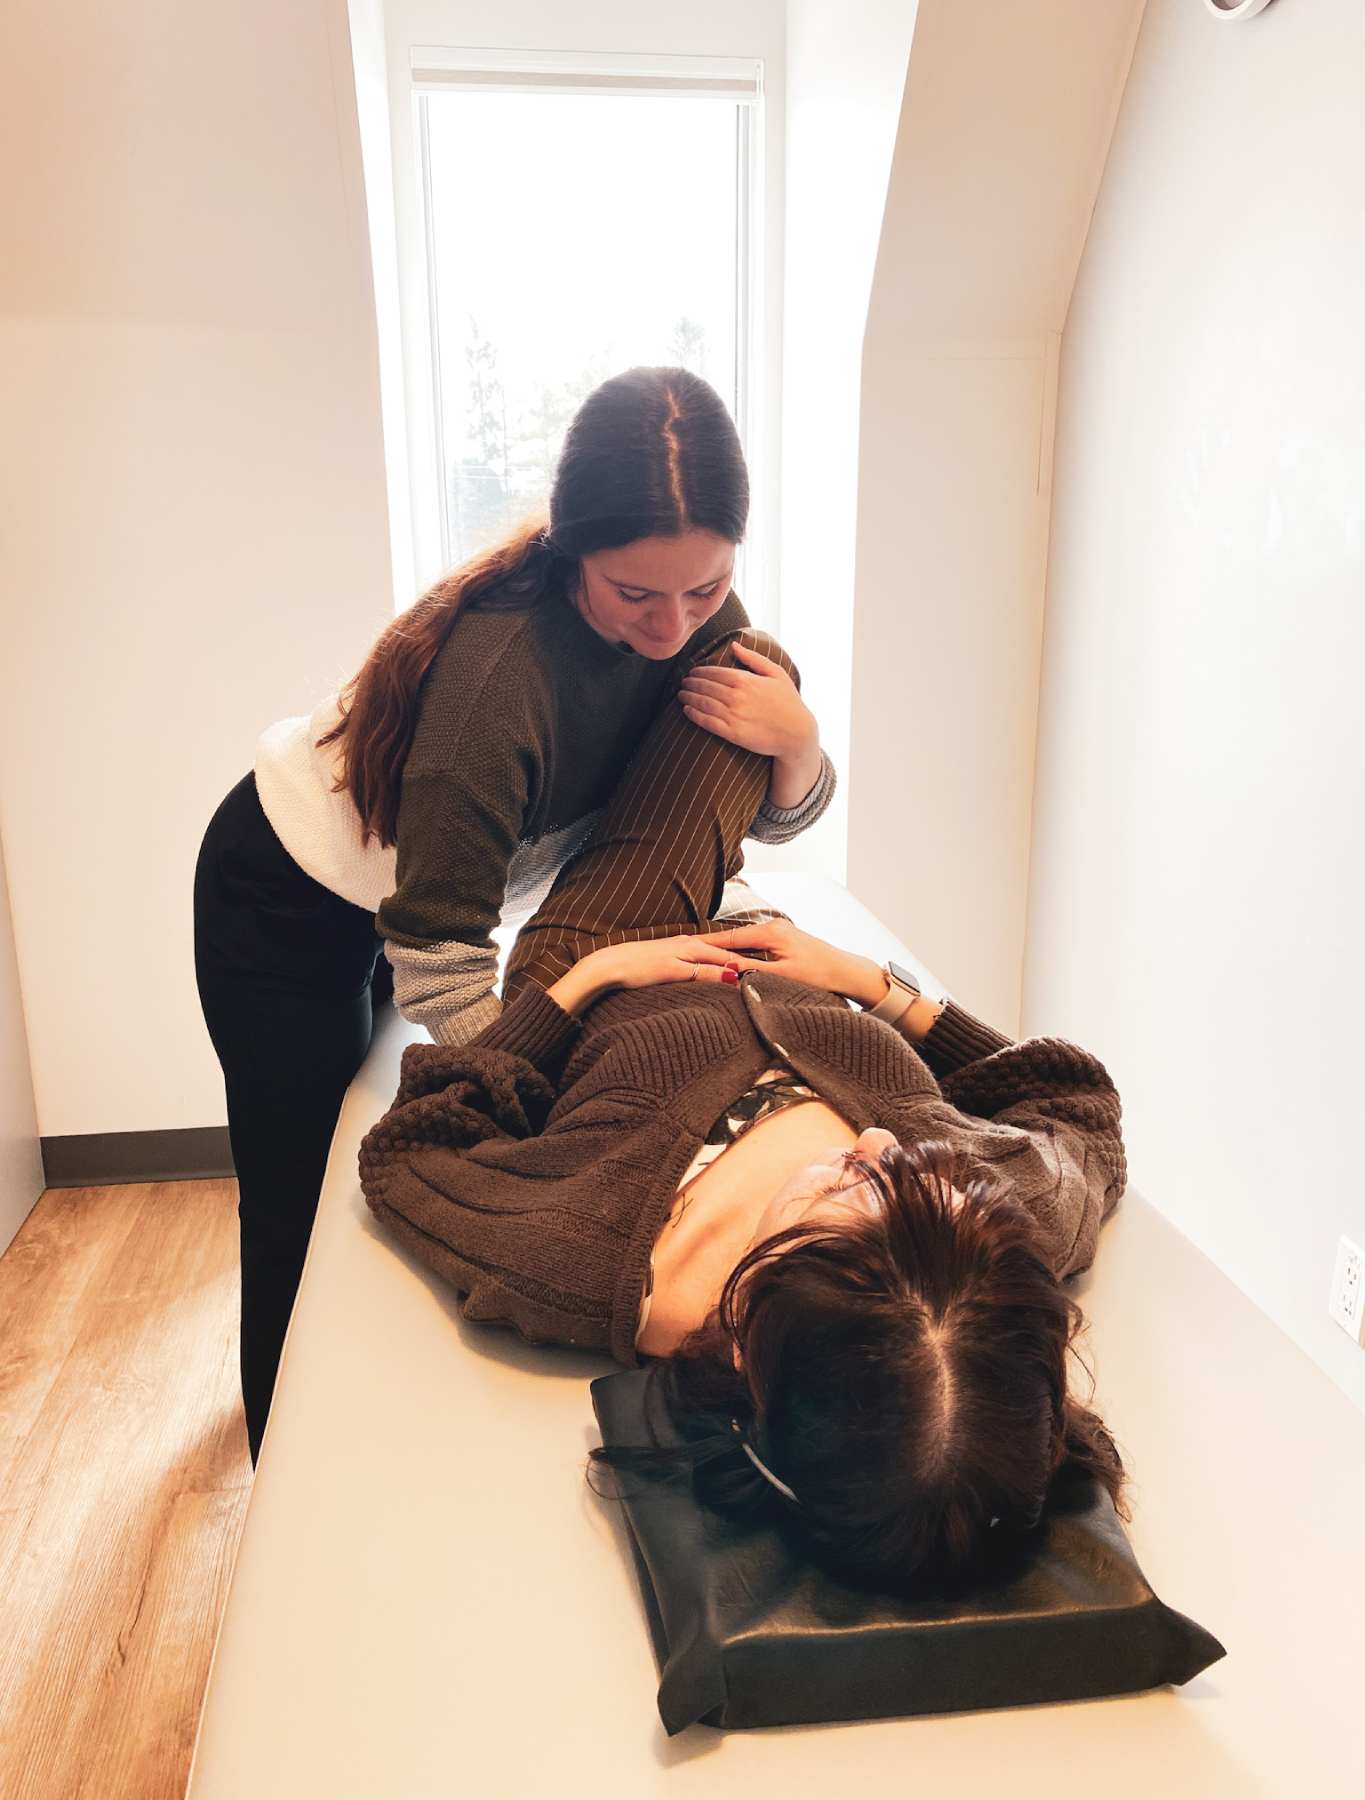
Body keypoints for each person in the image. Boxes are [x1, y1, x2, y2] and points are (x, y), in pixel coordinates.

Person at [358, 649, 1130, 1593]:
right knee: (737, 691)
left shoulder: (583, 1261)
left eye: (859, 1190)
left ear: (764, 1334)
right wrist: (869, 985)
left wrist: (578, 988)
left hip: (611, 939)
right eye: (916, 1182)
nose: (884, 1146)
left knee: (743, 662)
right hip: (785, 948)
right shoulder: (990, 1237)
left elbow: (415, 1142)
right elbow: (1071, 1094)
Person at [193, 365, 835, 1465]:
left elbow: (764, 817)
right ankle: (276, 1468)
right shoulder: (498, 689)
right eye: (638, 596)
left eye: (707, 585)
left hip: (413, 893)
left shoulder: (692, 612)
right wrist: (540, 1090)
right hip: (283, 898)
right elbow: (439, 964)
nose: (676, 626)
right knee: (293, 1198)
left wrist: (800, 742)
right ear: (577, 546)